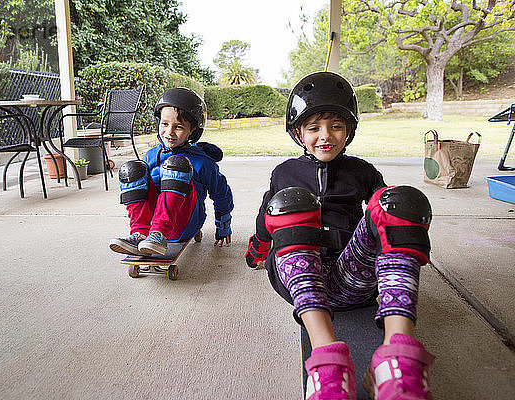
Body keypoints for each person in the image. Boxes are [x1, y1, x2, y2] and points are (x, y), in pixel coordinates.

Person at [245, 72, 435, 400]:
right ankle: (328, 362)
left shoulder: (361, 170)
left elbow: (387, 220)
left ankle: (396, 357)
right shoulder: (285, 173)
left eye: (336, 126)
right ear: (298, 133)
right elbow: (266, 220)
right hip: (299, 281)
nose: (325, 136)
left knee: (399, 202)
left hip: (352, 279)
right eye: (314, 127)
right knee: (291, 204)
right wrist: (256, 250)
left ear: (349, 131)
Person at [110, 87, 233, 256]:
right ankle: (139, 234)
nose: (169, 132)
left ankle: (159, 234)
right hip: (151, 224)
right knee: (132, 169)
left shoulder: (202, 161)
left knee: (177, 165)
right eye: (165, 124)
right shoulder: (151, 155)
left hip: (184, 223)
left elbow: (221, 193)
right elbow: (142, 193)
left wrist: (223, 227)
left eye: (179, 127)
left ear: (193, 130)